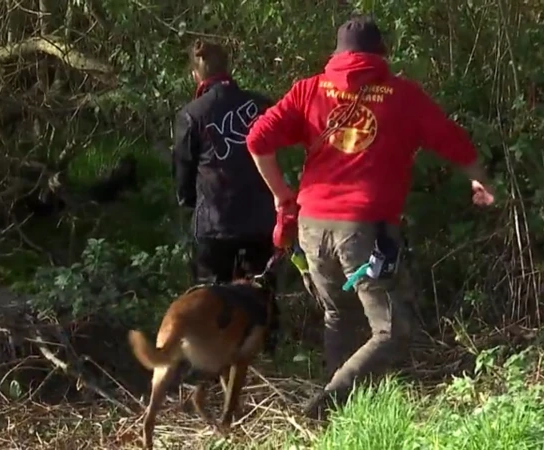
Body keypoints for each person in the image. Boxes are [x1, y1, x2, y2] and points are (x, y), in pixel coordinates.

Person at [245, 15, 495, 419]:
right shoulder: (402, 95)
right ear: (382, 53)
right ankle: (331, 400)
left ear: (338, 53)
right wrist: (477, 179)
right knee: (392, 330)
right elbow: (451, 138)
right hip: (365, 229)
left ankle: (336, 415)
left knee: (336, 314)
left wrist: (281, 195)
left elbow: (256, 139)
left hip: (312, 227)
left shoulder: (310, 89)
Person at [172, 39, 277, 288]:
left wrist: (187, 200)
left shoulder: (191, 114)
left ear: (195, 75)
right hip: (260, 219)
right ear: (227, 69)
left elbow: (183, 168)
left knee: (209, 297)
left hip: (214, 222)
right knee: (261, 298)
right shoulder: (262, 105)